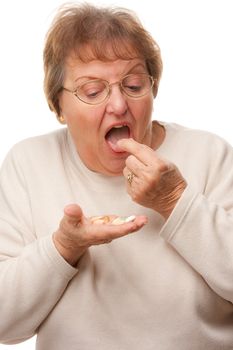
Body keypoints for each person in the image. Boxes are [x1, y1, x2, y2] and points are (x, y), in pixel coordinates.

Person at [0, 3, 233, 349]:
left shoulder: (209, 153)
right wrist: (64, 247)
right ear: (58, 106)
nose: (119, 105)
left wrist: (175, 201)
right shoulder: (28, 163)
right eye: (93, 91)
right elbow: (6, 324)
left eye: (134, 85)